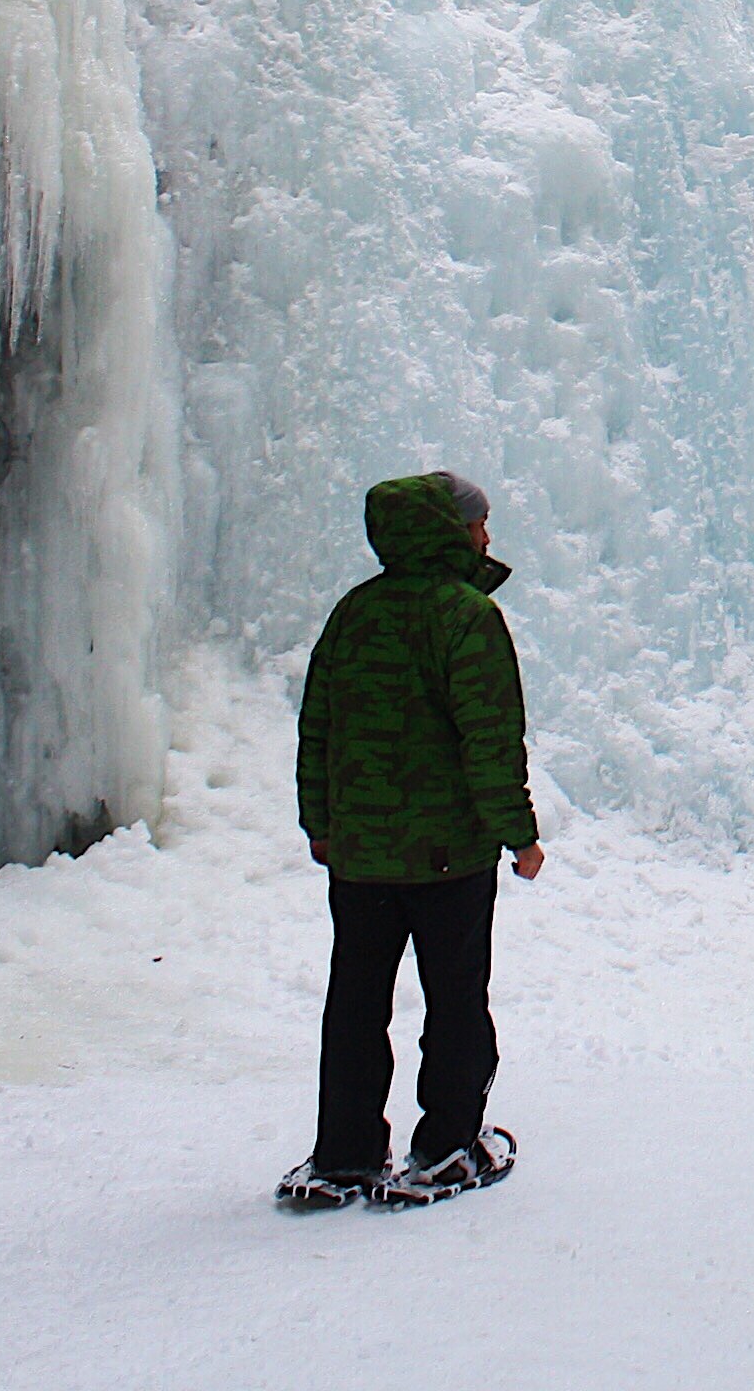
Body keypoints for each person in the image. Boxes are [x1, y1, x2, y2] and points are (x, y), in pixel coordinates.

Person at [278, 470, 547, 1210]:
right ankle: (448, 1147)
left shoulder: (353, 613)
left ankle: (345, 1155)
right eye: (479, 525)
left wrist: (322, 824)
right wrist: (516, 833)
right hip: (448, 855)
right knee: (456, 1001)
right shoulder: (464, 617)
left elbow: (318, 731)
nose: (487, 538)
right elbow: (489, 740)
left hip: (360, 857)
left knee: (356, 1004)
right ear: (451, 531)